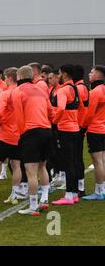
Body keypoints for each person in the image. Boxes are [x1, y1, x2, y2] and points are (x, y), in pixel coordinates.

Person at [12, 65, 53, 216]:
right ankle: (45, 199)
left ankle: (33, 206)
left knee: (31, 171)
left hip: (31, 132)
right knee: (43, 167)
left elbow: (18, 116)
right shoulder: (41, 91)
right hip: (46, 131)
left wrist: (22, 134)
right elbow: (51, 112)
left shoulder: (18, 91)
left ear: (20, 76)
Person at [51, 65, 83, 205]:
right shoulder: (75, 89)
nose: (58, 76)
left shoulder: (63, 90)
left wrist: (54, 121)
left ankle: (69, 195)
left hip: (65, 130)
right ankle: (74, 193)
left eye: (58, 73)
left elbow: (61, 108)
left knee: (68, 163)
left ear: (64, 74)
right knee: (74, 162)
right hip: (75, 129)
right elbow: (80, 107)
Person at [0, 67, 22, 204]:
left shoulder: (6, 93)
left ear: (9, 78)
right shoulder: (23, 93)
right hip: (20, 134)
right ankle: (14, 195)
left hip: (6, 135)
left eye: (4, 77)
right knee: (16, 165)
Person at [82, 65, 105, 201]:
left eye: (91, 72)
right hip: (103, 129)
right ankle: (102, 189)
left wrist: (83, 126)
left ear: (98, 75)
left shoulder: (95, 92)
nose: (89, 74)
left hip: (95, 130)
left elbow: (89, 114)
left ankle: (99, 191)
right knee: (102, 160)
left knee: (98, 161)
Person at [48, 69, 66, 189]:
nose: (49, 80)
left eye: (51, 78)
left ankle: (62, 175)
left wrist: (54, 118)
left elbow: (61, 109)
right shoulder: (51, 90)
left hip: (58, 124)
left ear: (57, 78)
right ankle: (56, 173)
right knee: (53, 150)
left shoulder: (60, 90)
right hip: (52, 124)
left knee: (60, 151)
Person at [74, 65, 89, 197]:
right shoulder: (81, 87)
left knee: (77, 158)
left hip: (78, 127)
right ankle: (79, 186)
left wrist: (81, 127)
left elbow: (83, 109)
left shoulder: (79, 88)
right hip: (78, 126)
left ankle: (80, 187)